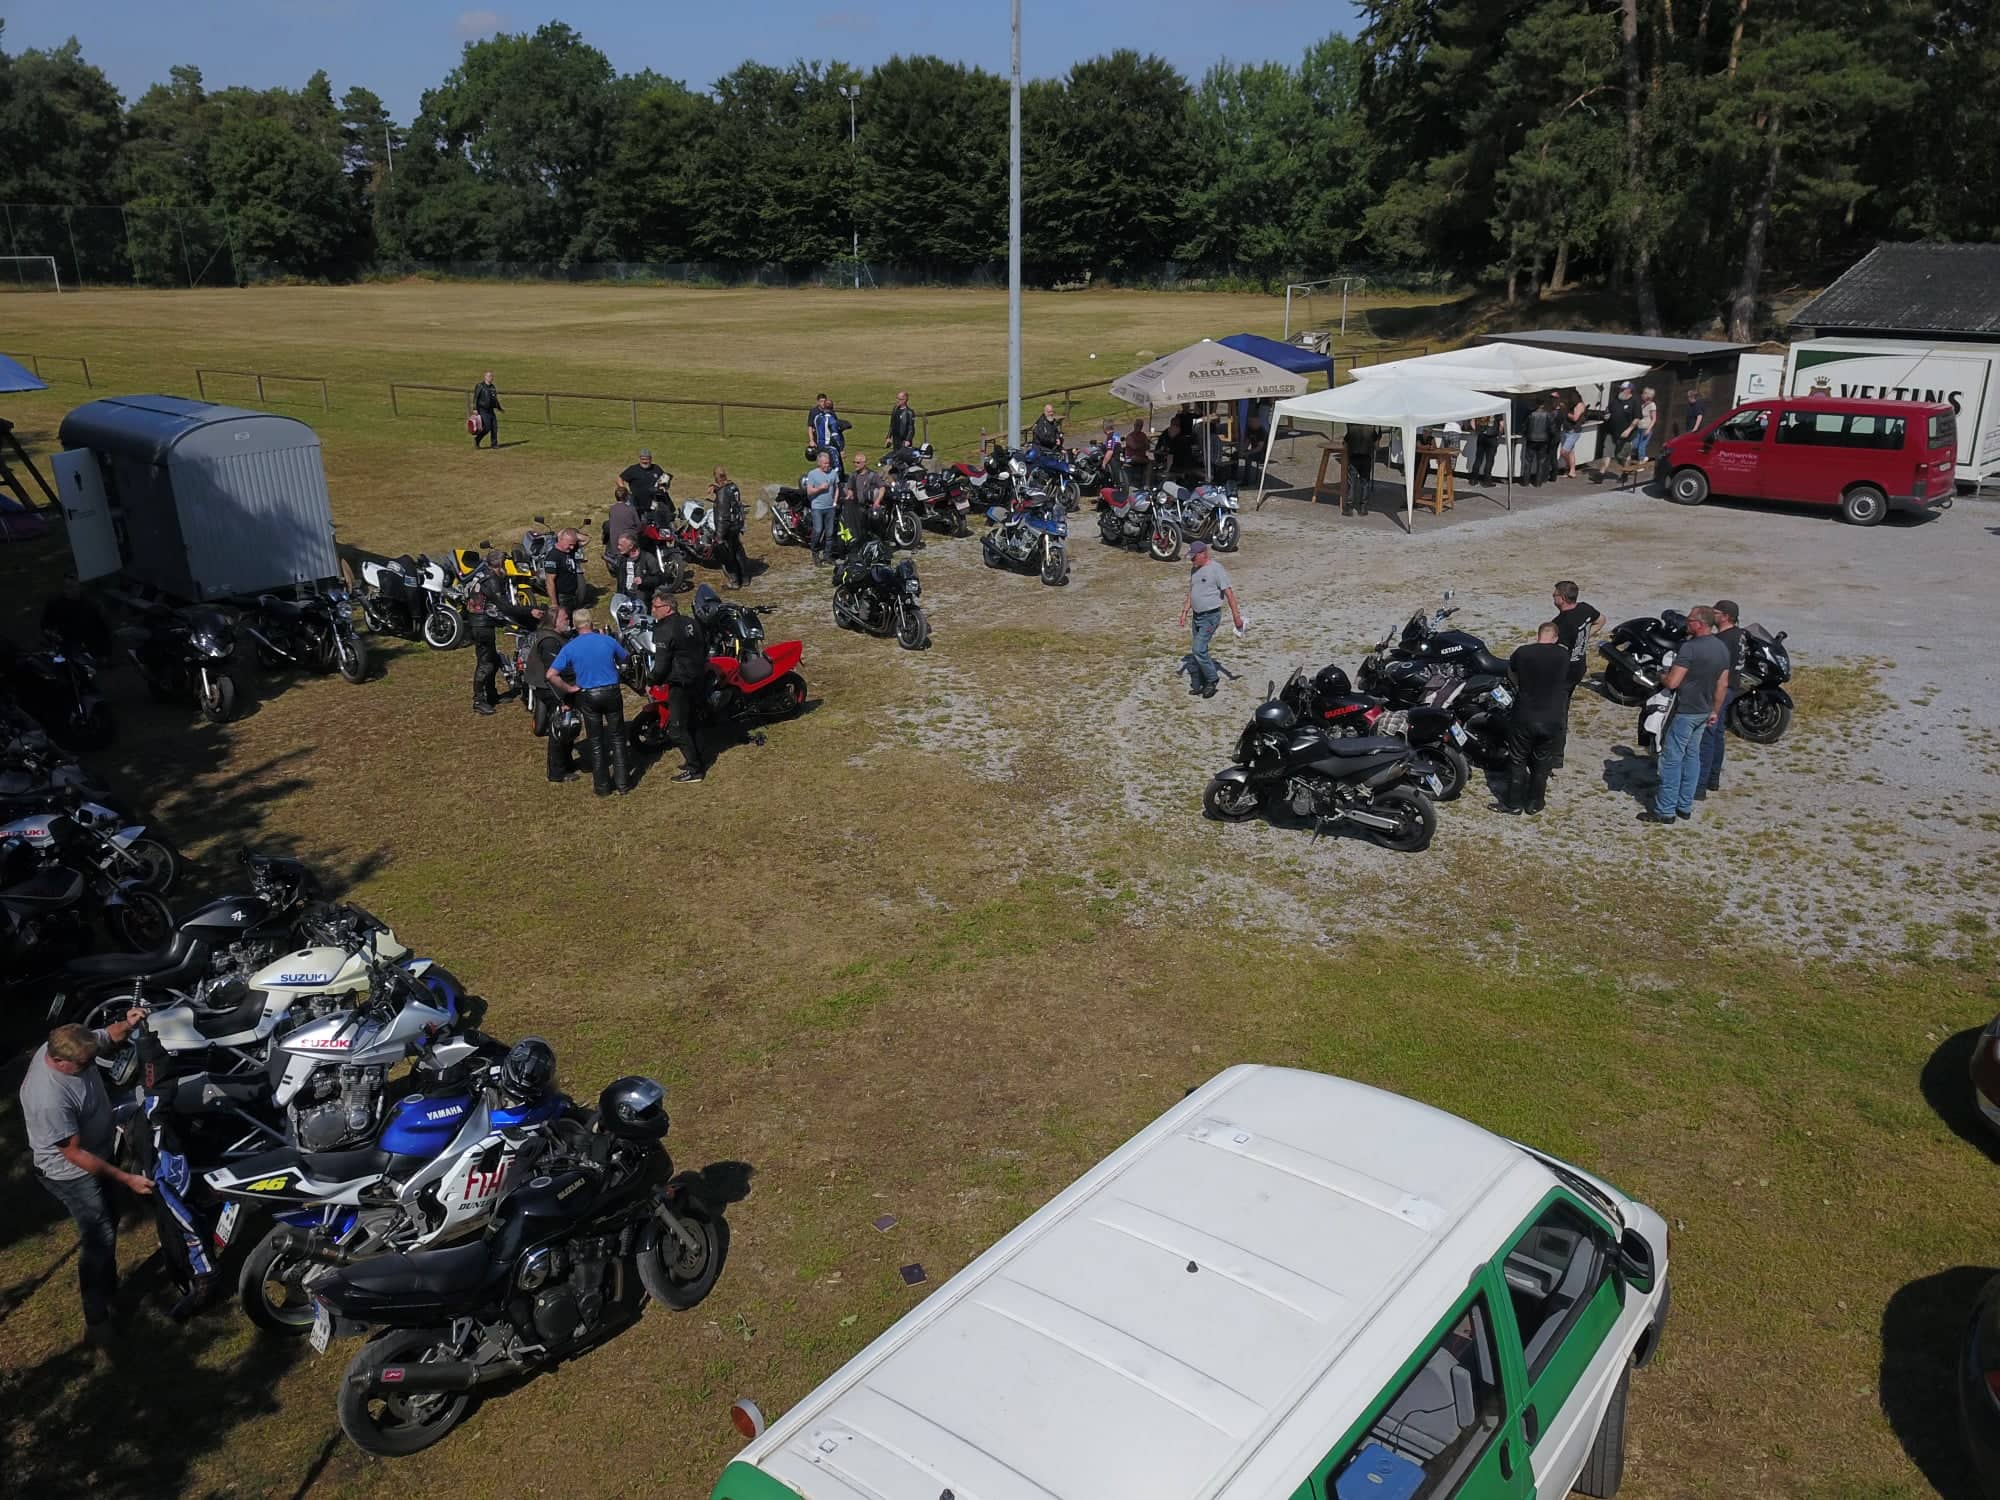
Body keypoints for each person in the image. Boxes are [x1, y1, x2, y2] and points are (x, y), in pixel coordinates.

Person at [23, 1012, 152, 1345]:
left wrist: (128, 1023)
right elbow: (75, 1154)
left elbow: (107, 1036)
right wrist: (127, 1178)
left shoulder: (72, 1045)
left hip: (98, 1151)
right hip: (70, 1173)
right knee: (98, 1238)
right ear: (60, 1062)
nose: (92, 1064)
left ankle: (109, 1291)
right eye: (85, 1064)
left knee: (111, 1218)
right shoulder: (47, 1098)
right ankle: (96, 1321)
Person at [1641, 604, 1729, 825]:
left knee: (1671, 759)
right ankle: (1684, 805)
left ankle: (1665, 810)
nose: (1686, 623)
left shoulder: (1689, 648)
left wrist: (1661, 675)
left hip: (1684, 711)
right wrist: (1715, 710)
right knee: (1692, 757)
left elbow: (1673, 682)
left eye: (1689, 620)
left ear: (1699, 624)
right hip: (1704, 710)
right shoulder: (1721, 648)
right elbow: (1722, 684)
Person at [546, 608, 631, 796]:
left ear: (575, 626)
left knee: (596, 741)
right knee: (617, 738)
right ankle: (623, 783)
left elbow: (551, 674)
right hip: (611, 691)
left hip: (588, 695)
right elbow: (625, 657)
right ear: (591, 623)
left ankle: (602, 786)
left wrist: (569, 688)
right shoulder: (606, 640)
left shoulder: (570, 647)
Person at [1505, 621, 1572, 815]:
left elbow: (1511, 672)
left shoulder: (1523, 652)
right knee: (1542, 762)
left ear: (1538, 635)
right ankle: (1535, 803)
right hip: (1552, 715)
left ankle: (1514, 804)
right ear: (1556, 638)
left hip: (1525, 714)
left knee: (1518, 760)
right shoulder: (1563, 654)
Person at [645, 589, 708, 782]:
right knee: (693, 722)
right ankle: (698, 759)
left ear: (667, 608)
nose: (653, 610)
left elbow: (661, 664)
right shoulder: (690, 622)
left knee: (677, 728)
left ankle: (695, 769)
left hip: (680, 683)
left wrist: (651, 681)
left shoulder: (664, 629)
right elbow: (704, 646)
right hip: (699, 677)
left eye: (655, 607)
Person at [1177, 540, 1244, 700]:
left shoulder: (1216, 569)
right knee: (1200, 650)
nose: (1192, 560)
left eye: (1194, 557)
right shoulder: (1195, 570)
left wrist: (1236, 616)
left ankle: (1212, 680)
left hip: (1210, 617)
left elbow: (1229, 593)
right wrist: (1185, 611)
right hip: (1197, 616)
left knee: (1198, 649)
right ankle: (1202, 682)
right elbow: (1192, 592)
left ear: (1203, 554)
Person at [524, 607, 579, 781]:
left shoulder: (555, 636)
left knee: (567, 724)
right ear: (554, 622)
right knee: (561, 726)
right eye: (565, 618)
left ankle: (567, 763)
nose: (568, 621)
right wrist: (563, 696)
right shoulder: (549, 641)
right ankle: (557, 772)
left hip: (553, 686)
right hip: (551, 689)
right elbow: (554, 672)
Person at [467, 589, 539, 715]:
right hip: (482, 626)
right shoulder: (491, 581)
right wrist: (529, 611)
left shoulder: (487, 579)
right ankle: (479, 700)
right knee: (486, 664)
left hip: (483, 623)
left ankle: (491, 695)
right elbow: (505, 607)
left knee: (493, 660)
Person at [1701, 599, 1745, 795]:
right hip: (1732, 687)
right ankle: (1713, 778)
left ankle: (1701, 782)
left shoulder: (1723, 640)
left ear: (1726, 617)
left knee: (1707, 735)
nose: (1713, 616)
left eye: (1716, 613)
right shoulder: (1740, 635)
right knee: (1717, 734)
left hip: (1720, 689)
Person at [40, 574, 113, 660]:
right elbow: (46, 625)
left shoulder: (90, 605)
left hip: (88, 643)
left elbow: (102, 629)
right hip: (66, 642)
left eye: (74, 587)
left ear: (80, 587)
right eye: (68, 587)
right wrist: (52, 635)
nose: (72, 590)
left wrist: (105, 652)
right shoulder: (55, 604)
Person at [1550, 580, 1602, 694]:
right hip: (1579, 667)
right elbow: (1601, 620)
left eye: (1555, 594)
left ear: (1562, 598)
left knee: (1558, 698)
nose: (1553, 596)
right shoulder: (1585, 608)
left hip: (1564, 672)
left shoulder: (1560, 624)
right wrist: (1583, 636)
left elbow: (1555, 653)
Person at [709, 467, 750, 588]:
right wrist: (717, 490)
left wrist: (719, 536)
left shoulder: (722, 493)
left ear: (716, 477)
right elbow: (732, 501)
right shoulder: (733, 486)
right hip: (736, 524)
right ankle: (745, 577)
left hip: (728, 527)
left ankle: (734, 581)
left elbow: (723, 516)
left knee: (726, 555)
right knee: (738, 550)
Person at [844, 451, 887, 551]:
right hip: (856, 507)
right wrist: (849, 496)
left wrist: (877, 501)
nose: (855, 464)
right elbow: (849, 490)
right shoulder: (853, 476)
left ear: (864, 463)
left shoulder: (872, 475)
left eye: (858, 462)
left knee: (875, 522)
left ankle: (878, 544)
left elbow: (882, 488)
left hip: (869, 507)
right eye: (854, 462)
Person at [803, 450, 840, 564]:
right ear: (819, 463)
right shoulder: (812, 474)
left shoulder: (833, 473)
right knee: (818, 530)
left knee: (830, 533)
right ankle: (815, 552)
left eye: (828, 463)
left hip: (830, 507)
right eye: (825, 463)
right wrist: (820, 488)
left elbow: (837, 488)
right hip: (817, 507)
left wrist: (835, 502)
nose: (827, 465)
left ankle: (827, 555)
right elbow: (809, 491)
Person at [607, 532, 666, 604]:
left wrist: (643, 581)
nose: (618, 547)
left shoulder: (647, 558)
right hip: (623, 598)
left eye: (621, 545)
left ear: (631, 546)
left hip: (642, 599)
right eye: (618, 544)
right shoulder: (621, 558)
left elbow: (659, 578)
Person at [620, 448, 670, 522]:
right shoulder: (633, 469)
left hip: (654, 504)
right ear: (639, 459)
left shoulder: (656, 468)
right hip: (637, 504)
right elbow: (619, 478)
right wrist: (624, 491)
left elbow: (664, 481)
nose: (645, 461)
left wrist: (664, 487)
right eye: (642, 459)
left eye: (647, 459)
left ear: (651, 459)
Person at [1603, 381, 1640, 474]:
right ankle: (1601, 473)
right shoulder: (1615, 400)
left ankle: (1626, 472)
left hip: (1626, 435)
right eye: (1620, 389)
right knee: (1607, 452)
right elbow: (1608, 410)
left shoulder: (1635, 402)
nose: (1620, 391)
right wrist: (1607, 415)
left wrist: (1629, 430)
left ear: (1629, 390)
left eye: (1623, 389)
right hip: (1611, 432)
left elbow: (1637, 418)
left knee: (1621, 456)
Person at [809, 394, 850, 476]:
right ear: (832, 408)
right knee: (836, 468)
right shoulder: (831, 419)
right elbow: (835, 436)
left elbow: (813, 429)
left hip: (820, 447)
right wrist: (841, 450)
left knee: (822, 467)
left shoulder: (817, 417)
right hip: (829, 447)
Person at [544, 529, 584, 612]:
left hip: (573, 593)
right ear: (561, 540)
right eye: (570, 544)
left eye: (573, 545)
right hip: (562, 597)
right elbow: (549, 581)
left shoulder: (570, 550)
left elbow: (587, 539)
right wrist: (554, 603)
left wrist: (573, 534)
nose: (572, 547)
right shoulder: (553, 556)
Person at [1342, 424, 1376, 515]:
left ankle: (1349, 508)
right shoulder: (1371, 429)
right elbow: (1376, 444)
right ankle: (1363, 508)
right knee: (1365, 483)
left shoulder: (1351, 428)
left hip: (1353, 457)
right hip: (1366, 457)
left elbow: (1345, 443)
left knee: (1352, 483)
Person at [1522, 397, 1556, 487]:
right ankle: (1538, 483)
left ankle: (1525, 482)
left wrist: (1525, 435)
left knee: (1528, 461)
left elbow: (1524, 427)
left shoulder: (1530, 414)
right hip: (1543, 440)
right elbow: (1552, 429)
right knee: (1541, 462)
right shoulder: (1548, 415)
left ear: (1536, 404)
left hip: (1531, 440)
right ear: (1543, 404)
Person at [605, 480, 640, 554]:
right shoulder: (631, 509)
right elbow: (638, 525)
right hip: (628, 541)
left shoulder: (612, 509)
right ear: (627, 496)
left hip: (615, 542)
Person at [1559, 391, 1588, 479]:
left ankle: (1569, 466)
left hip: (1574, 431)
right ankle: (1572, 471)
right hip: (1566, 430)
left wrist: (1565, 411)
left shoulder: (1579, 405)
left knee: (1564, 452)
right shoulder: (1571, 405)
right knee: (1571, 452)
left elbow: (1575, 418)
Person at [472, 370, 502, 449]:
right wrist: (475, 408)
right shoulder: (480, 386)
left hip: (491, 410)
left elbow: (495, 399)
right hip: (483, 410)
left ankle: (494, 444)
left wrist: (499, 407)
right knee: (487, 427)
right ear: (485, 377)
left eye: (491, 376)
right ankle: (477, 439)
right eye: (488, 376)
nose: (490, 378)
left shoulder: (492, 387)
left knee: (494, 427)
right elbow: (476, 398)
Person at [1122, 419, 1152, 487]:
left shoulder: (1143, 435)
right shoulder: (1130, 436)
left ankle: (1147, 484)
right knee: (1135, 458)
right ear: (1134, 425)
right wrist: (1143, 444)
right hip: (1130, 458)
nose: (1139, 427)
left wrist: (1144, 444)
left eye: (1140, 426)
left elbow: (1148, 447)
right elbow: (1134, 446)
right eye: (1137, 425)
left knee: (1150, 463)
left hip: (1142, 457)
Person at [1634, 386, 1660, 464]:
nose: (1642, 395)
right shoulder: (1642, 405)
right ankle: (1644, 458)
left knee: (1641, 446)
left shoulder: (1652, 405)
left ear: (1648, 395)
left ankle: (1641, 462)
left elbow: (1654, 419)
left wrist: (1648, 429)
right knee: (1635, 445)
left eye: (1644, 393)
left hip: (1646, 428)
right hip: (1639, 428)